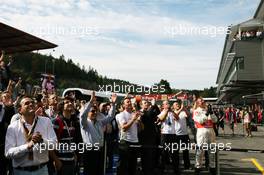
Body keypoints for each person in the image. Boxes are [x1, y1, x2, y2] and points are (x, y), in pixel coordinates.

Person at [5, 96, 57, 175]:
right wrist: (27, 147)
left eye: (32, 102)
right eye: (26, 103)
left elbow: (55, 145)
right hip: (21, 171)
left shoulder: (46, 121)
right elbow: (8, 153)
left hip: (42, 170)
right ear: (19, 110)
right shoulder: (13, 127)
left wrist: (42, 141)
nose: (31, 104)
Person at [79, 91, 117, 175]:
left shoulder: (99, 122)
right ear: (88, 112)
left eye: (95, 111)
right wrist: (90, 103)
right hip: (89, 152)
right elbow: (83, 116)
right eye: (92, 111)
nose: (95, 113)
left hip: (100, 151)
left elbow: (110, 116)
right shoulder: (84, 123)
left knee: (99, 172)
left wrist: (113, 105)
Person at [52, 96, 82, 175]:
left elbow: (72, 141)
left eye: (71, 102)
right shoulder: (56, 122)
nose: (70, 103)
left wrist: (75, 155)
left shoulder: (73, 122)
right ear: (61, 107)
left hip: (71, 161)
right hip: (61, 162)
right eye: (67, 102)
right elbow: (51, 144)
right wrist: (55, 160)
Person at [116, 97, 141, 175]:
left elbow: (140, 129)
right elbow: (124, 128)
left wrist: (139, 122)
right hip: (125, 142)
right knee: (123, 166)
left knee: (133, 166)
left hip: (135, 141)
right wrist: (133, 119)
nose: (130, 103)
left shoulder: (134, 114)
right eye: (127, 102)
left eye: (130, 101)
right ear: (123, 105)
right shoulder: (121, 115)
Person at [193, 98, 218, 175]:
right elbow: (200, 121)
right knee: (200, 150)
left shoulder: (208, 110)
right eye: (201, 101)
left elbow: (215, 120)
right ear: (197, 103)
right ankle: (198, 167)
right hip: (202, 131)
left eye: (203, 101)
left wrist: (211, 113)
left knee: (212, 150)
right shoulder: (196, 111)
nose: (203, 102)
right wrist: (206, 114)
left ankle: (212, 167)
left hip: (211, 130)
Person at [138, 99, 160, 175]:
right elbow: (147, 115)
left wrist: (155, 105)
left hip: (152, 136)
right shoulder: (140, 112)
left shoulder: (150, 111)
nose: (146, 104)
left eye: (147, 103)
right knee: (145, 155)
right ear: (141, 105)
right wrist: (153, 106)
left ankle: (150, 170)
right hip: (144, 137)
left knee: (152, 155)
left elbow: (158, 113)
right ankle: (145, 170)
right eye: (144, 103)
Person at [158, 100, 180, 174]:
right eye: (166, 104)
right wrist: (167, 111)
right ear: (163, 106)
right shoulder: (161, 112)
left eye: (168, 103)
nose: (168, 105)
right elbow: (161, 119)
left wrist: (172, 112)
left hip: (173, 134)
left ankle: (176, 169)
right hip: (165, 134)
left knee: (174, 152)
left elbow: (177, 118)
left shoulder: (172, 112)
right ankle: (162, 169)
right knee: (164, 152)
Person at [0, 91, 16, 175]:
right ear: (1, 100)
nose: (8, 99)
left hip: (13, 146)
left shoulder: (16, 111)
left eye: (9, 97)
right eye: (5, 97)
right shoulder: (1, 111)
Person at [173, 100, 191, 170]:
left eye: (178, 104)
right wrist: (181, 109)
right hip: (177, 135)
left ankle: (187, 166)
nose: (178, 105)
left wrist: (184, 108)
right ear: (173, 106)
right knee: (176, 152)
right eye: (176, 104)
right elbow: (175, 117)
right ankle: (176, 166)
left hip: (185, 134)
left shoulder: (183, 112)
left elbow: (189, 115)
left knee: (185, 151)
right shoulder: (173, 112)